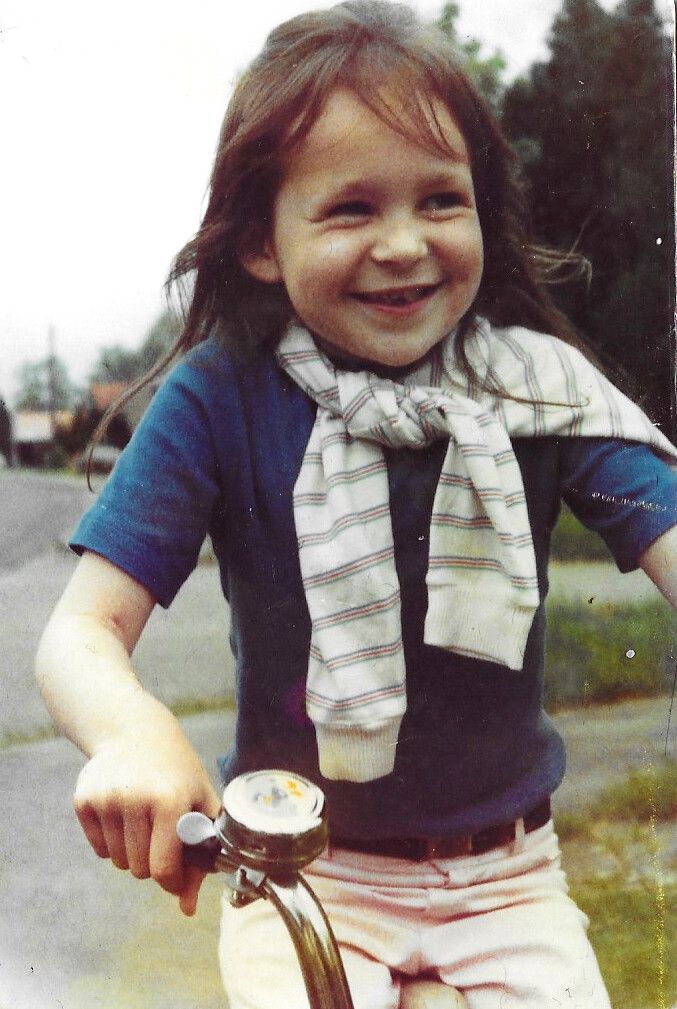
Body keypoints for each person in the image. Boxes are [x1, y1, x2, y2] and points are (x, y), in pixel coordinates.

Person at [35, 3, 677, 1007]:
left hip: (510, 885)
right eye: (350, 209)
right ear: (261, 241)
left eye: (440, 199)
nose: (404, 243)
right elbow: (78, 634)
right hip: (303, 877)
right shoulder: (220, 396)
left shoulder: (541, 389)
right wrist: (132, 734)